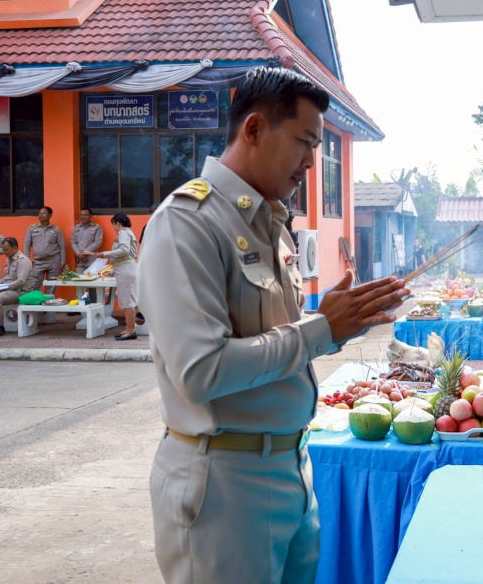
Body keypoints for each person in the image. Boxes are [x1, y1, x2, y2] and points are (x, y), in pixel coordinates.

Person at [139, 67, 408, 584]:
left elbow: (270, 339)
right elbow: (202, 371)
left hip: (290, 466)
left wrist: (330, 320)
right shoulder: (188, 222)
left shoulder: (269, 223)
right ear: (255, 129)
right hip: (225, 482)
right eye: (305, 142)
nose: (312, 162)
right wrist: (319, 330)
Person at [83, 212, 139, 340]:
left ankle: (131, 330)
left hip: (126, 270)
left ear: (117, 224)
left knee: (128, 301)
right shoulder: (126, 233)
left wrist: (105, 254)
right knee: (126, 300)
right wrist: (113, 269)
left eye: (113, 225)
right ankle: (128, 329)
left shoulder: (124, 233)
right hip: (123, 268)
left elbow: (124, 250)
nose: (113, 227)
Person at [24, 205, 64, 291]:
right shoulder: (32, 228)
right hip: (38, 262)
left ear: (50, 215)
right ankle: (34, 303)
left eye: (44, 213)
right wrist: (26, 260)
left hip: (53, 261)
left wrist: (62, 262)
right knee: (34, 285)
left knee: (51, 285)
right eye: (39, 213)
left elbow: (62, 246)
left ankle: (49, 302)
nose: (41, 215)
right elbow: (27, 244)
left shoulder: (56, 230)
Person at [72, 207, 104, 304]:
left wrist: (84, 252)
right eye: (81, 215)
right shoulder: (77, 228)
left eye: (85, 215)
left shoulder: (97, 227)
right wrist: (78, 253)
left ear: (91, 216)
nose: (83, 217)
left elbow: (98, 242)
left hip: (92, 260)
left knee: (93, 283)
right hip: (80, 260)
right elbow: (73, 242)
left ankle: (94, 304)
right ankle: (79, 304)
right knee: (78, 282)